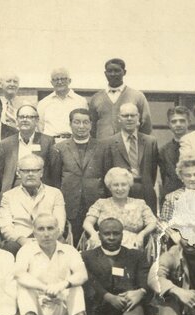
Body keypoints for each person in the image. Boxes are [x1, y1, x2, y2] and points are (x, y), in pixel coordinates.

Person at [14, 214, 89, 315]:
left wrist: (62, 285)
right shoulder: (25, 250)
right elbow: (19, 275)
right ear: (34, 232)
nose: (46, 233)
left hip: (63, 312)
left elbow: (82, 275)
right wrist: (44, 288)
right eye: (41, 229)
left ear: (58, 231)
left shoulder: (70, 250)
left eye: (50, 228)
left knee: (76, 287)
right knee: (23, 288)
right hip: (37, 313)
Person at [81, 218, 150, 315]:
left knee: (135, 306)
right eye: (107, 234)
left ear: (122, 235)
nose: (111, 237)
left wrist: (141, 292)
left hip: (130, 304)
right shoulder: (87, 257)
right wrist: (108, 297)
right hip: (103, 305)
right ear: (99, 235)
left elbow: (145, 279)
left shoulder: (136, 256)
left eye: (116, 233)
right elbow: (89, 282)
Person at [54, 108, 104, 247]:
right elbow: (55, 180)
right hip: (70, 204)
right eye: (77, 122)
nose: (81, 126)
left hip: (95, 204)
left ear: (91, 125)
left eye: (85, 122)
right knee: (71, 244)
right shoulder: (59, 148)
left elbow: (107, 177)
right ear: (70, 124)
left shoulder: (102, 147)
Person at [0, 154, 66, 255]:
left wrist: (44, 238)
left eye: (35, 170)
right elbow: (5, 226)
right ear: (18, 173)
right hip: (20, 241)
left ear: (41, 172)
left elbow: (60, 224)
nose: (30, 174)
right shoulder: (8, 196)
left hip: (49, 237)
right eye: (25, 171)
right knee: (9, 249)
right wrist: (21, 240)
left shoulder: (55, 193)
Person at [98, 103, 159, 213]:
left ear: (138, 117)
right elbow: (106, 173)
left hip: (145, 193)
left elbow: (152, 173)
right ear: (119, 118)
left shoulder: (150, 142)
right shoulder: (108, 143)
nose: (129, 119)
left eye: (132, 115)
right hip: (119, 194)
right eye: (125, 116)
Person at [82, 167, 157, 253]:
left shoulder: (140, 204)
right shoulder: (101, 203)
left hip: (131, 245)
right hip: (103, 242)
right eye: (116, 185)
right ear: (110, 187)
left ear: (129, 186)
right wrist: (94, 234)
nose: (120, 188)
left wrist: (142, 234)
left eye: (123, 184)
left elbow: (152, 222)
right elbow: (87, 222)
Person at [0, 104, 59, 194]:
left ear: (37, 120)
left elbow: (54, 172)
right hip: (14, 187)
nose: (25, 120)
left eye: (29, 117)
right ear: (17, 120)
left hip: (40, 188)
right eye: (21, 117)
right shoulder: (6, 144)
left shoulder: (47, 141)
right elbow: (1, 172)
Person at [87, 58, 152, 141]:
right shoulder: (96, 98)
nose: (113, 74)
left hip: (128, 147)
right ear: (105, 73)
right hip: (103, 148)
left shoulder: (137, 96)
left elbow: (146, 125)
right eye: (109, 71)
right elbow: (92, 127)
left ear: (124, 72)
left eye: (117, 71)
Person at [36, 67, 86, 139]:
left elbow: (85, 124)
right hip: (51, 143)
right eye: (56, 79)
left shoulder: (80, 101)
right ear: (51, 83)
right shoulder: (43, 103)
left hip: (74, 143)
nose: (59, 82)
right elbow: (40, 126)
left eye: (63, 79)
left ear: (69, 81)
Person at [157, 106, 190, 200]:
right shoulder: (163, 151)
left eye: (182, 121)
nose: (178, 124)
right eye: (174, 121)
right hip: (173, 198)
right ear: (169, 124)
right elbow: (165, 179)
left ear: (189, 122)